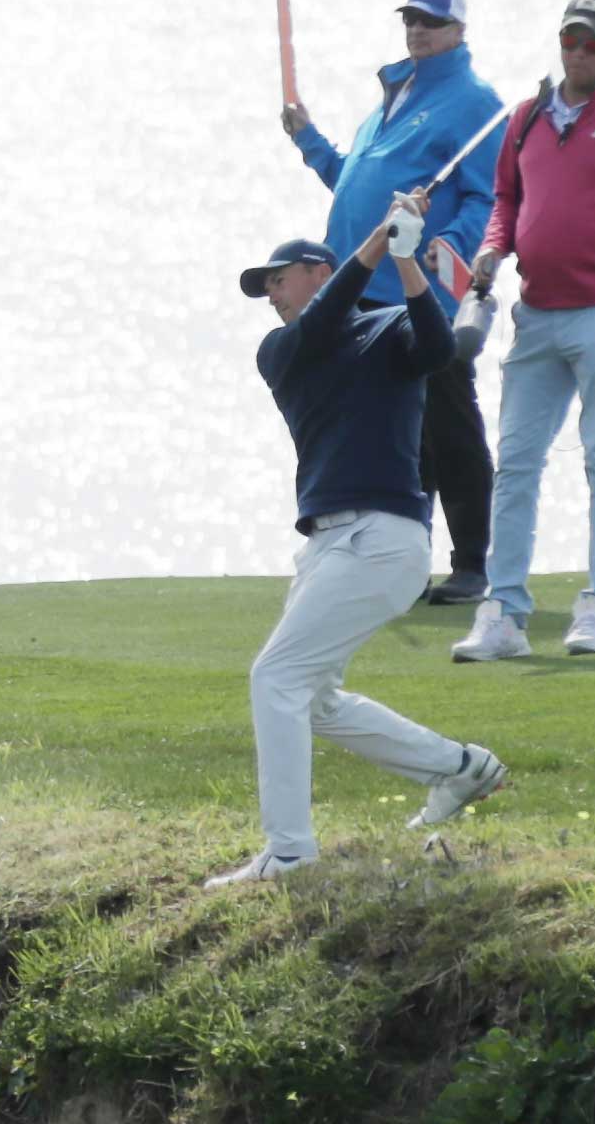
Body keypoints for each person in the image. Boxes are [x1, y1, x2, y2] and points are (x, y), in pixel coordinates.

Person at [206, 193, 508, 890]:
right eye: (267, 287)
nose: (271, 294)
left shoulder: (391, 328)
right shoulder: (282, 350)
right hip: (324, 547)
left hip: (383, 539)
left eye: (279, 278)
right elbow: (322, 325)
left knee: (275, 678)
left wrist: (404, 259)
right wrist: (380, 243)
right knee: (313, 698)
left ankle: (288, 853)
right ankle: (458, 768)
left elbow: (439, 348)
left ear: (318, 271)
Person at [451, 0, 595, 661]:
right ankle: (503, 612)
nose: (578, 53)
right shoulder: (525, 119)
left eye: (591, 44)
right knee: (516, 465)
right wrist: (495, 245)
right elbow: (506, 200)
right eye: (570, 41)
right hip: (538, 315)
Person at [283, 0, 502, 607]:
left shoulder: (474, 101)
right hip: (359, 293)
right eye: (411, 19)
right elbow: (356, 185)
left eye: (431, 21)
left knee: (449, 425)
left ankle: (472, 566)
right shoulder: (393, 97)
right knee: (394, 440)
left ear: (459, 30)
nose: (418, 30)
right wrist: (309, 142)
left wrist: (451, 243)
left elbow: (488, 196)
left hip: (419, 294)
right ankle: (401, 566)